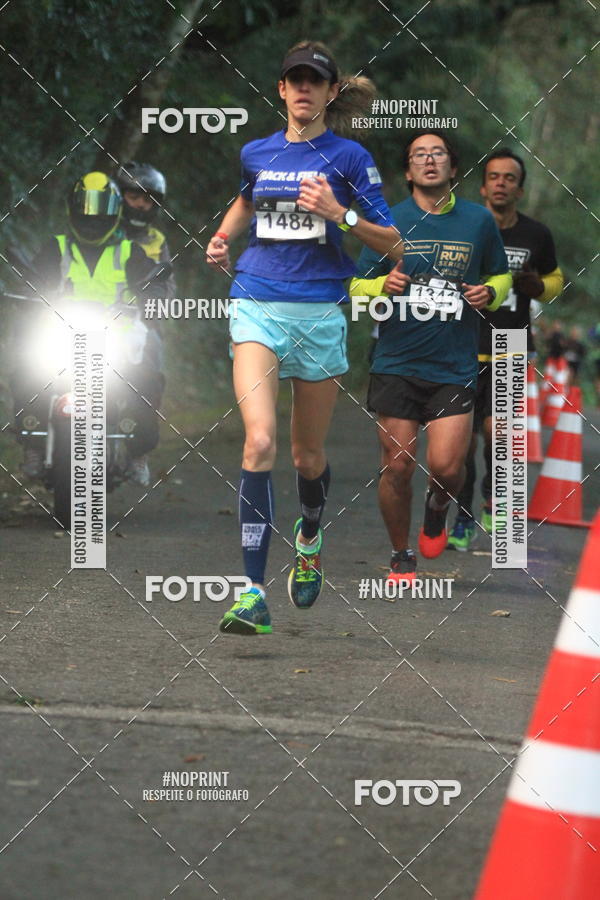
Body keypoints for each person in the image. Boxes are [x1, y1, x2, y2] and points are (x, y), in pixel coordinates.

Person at [206, 40, 402, 635]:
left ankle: (310, 533)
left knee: (305, 456)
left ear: (332, 92)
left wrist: (338, 213)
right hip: (256, 302)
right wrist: (221, 238)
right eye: (295, 80)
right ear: (281, 89)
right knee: (258, 443)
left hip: (319, 312)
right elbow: (247, 198)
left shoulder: (349, 157)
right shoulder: (257, 151)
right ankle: (250, 595)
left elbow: (393, 245)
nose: (304, 90)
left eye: (315, 81)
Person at [350, 130, 511, 583]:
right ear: (408, 171)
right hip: (397, 363)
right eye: (419, 155)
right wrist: (383, 286)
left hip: (453, 365)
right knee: (397, 465)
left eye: (438, 153)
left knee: (446, 467)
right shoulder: (389, 222)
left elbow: (501, 277)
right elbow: (356, 288)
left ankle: (438, 506)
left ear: (453, 168)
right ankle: (401, 553)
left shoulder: (479, 222)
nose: (429, 160)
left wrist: (490, 292)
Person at [13, 171, 165, 486]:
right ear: (73, 209)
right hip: (62, 332)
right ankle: (33, 443)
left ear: (115, 212)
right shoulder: (56, 248)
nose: (92, 216)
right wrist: (25, 293)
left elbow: (154, 281)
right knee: (26, 369)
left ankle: (138, 451)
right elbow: (32, 281)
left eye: (101, 211)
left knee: (149, 377)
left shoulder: (128, 252)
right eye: (86, 209)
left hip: (117, 338)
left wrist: (154, 296)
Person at [447, 148, 564, 548]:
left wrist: (539, 287)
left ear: (519, 188)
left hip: (511, 343)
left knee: (497, 434)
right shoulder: (464, 228)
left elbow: (554, 278)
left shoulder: (537, 234)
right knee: (460, 440)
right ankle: (461, 517)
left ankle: (492, 503)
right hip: (461, 344)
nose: (500, 183)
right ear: (483, 186)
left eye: (509, 178)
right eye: (494, 176)